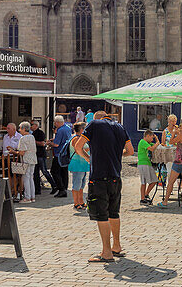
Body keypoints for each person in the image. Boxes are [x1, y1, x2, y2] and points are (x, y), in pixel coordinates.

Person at [76, 111, 133, 263]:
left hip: (99, 177)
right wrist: (114, 155)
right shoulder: (120, 127)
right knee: (114, 213)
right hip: (116, 176)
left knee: (101, 214)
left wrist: (89, 159)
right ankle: (117, 246)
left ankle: (106, 253)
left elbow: (78, 146)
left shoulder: (94, 124)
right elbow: (130, 151)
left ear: (96, 118)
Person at [159, 118, 182, 209]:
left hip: (179, 162)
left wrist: (174, 133)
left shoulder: (181, 135)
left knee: (171, 182)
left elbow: (171, 142)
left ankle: (165, 201)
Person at [68, 122, 90, 210]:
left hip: (83, 165)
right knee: (76, 184)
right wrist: (90, 148)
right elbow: (78, 150)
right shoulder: (75, 139)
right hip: (77, 165)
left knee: (82, 184)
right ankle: (76, 203)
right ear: (81, 129)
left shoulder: (81, 139)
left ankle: (81, 201)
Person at [51, 115, 72, 198]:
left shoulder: (60, 130)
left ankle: (61, 189)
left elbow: (56, 144)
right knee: (64, 171)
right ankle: (65, 188)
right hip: (66, 153)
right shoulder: (68, 128)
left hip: (59, 153)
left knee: (54, 171)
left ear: (57, 122)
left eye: (55, 123)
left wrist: (50, 143)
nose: (55, 124)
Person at [16, 121, 37, 203]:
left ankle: (27, 197)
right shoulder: (32, 137)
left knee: (26, 178)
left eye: (20, 128)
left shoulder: (23, 138)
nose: (19, 130)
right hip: (33, 159)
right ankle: (32, 196)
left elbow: (22, 152)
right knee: (31, 178)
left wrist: (14, 152)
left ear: (24, 129)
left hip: (26, 159)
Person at [137, 130, 160, 204]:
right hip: (143, 163)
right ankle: (142, 199)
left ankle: (146, 194)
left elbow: (156, 146)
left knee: (155, 180)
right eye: (151, 138)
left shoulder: (148, 143)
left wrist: (157, 141)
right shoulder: (142, 142)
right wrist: (157, 142)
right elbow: (152, 148)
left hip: (147, 163)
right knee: (143, 182)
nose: (152, 140)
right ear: (147, 136)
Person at [32, 119, 53, 196]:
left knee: (44, 171)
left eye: (32, 125)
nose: (31, 126)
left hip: (40, 154)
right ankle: (37, 190)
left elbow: (43, 143)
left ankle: (54, 185)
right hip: (35, 155)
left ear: (36, 125)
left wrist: (33, 141)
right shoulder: (32, 133)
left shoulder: (40, 133)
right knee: (35, 173)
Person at [2, 122, 22, 201]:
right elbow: (3, 147)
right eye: (7, 128)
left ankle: (17, 191)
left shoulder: (19, 136)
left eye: (8, 128)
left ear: (14, 129)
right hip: (7, 158)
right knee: (8, 175)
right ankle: (11, 191)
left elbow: (20, 148)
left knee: (16, 176)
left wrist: (12, 148)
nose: (7, 130)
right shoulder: (5, 137)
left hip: (16, 158)